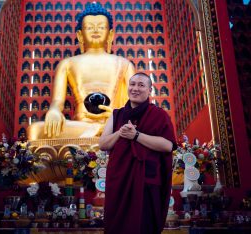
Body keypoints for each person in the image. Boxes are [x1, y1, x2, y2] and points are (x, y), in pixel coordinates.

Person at [27, 3, 135, 140]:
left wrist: (119, 116)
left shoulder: (124, 64)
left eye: (101, 27)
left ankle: (101, 132)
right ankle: (97, 132)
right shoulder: (67, 64)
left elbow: (134, 105)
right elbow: (57, 101)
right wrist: (54, 110)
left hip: (115, 124)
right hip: (81, 125)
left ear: (110, 34)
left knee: (138, 128)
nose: (96, 30)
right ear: (80, 35)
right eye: (90, 27)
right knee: (35, 131)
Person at [99, 73, 176, 234]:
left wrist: (136, 136)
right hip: (119, 178)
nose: (135, 88)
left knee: (144, 225)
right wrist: (119, 133)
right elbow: (103, 144)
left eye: (141, 85)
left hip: (146, 180)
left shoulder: (159, 115)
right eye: (132, 84)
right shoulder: (116, 114)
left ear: (149, 90)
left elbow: (168, 145)